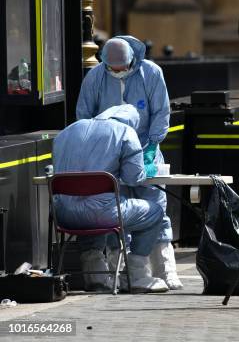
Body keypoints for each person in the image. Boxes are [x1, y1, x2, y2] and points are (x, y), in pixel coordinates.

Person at [76, 36, 183, 290]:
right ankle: (122, 272)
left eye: (122, 68)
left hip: (146, 148)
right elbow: (84, 116)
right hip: (110, 156)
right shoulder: (95, 77)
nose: (118, 72)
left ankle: (164, 269)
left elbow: (161, 111)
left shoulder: (151, 72)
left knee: (155, 205)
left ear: (133, 60)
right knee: (118, 211)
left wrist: (152, 146)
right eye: (113, 68)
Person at [52, 105, 168, 293]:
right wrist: (148, 169)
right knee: (154, 212)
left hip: (63, 214)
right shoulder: (125, 131)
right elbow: (133, 178)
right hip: (101, 214)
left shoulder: (67, 131)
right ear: (132, 122)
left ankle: (95, 277)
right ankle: (136, 275)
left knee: (93, 203)